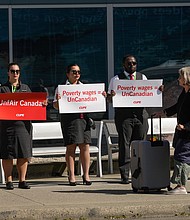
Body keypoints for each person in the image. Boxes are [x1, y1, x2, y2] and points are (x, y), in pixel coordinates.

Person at [107, 54, 149, 184]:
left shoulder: (143, 77)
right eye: (129, 63)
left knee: (141, 144)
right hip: (124, 116)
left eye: (134, 63)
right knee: (124, 144)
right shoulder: (116, 79)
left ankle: (140, 172)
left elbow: (149, 93)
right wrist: (112, 96)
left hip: (140, 114)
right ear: (123, 65)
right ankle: (125, 175)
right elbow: (109, 99)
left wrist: (157, 91)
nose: (132, 66)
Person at [53, 64, 93, 186]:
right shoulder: (62, 88)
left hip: (83, 119)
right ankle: (71, 175)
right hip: (69, 120)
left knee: (85, 146)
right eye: (74, 72)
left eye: (78, 72)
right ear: (68, 73)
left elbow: (92, 102)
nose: (76, 74)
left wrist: (99, 97)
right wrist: (59, 101)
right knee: (71, 147)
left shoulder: (84, 87)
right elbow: (55, 106)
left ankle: (86, 175)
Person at [154, 67, 190, 195]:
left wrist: (186, 126)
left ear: (186, 79)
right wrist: (163, 112)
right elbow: (177, 107)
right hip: (182, 132)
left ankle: (181, 186)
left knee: (182, 157)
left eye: (180, 77)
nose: (178, 79)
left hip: (187, 133)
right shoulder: (184, 92)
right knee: (182, 156)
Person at [0, 62, 32, 190]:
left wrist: (42, 104)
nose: (15, 74)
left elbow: (33, 104)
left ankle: (22, 180)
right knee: (8, 154)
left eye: (17, 71)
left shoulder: (25, 88)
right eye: (12, 71)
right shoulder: (2, 89)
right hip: (7, 126)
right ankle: (9, 180)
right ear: (8, 73)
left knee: (23, 153)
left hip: (23, 126)